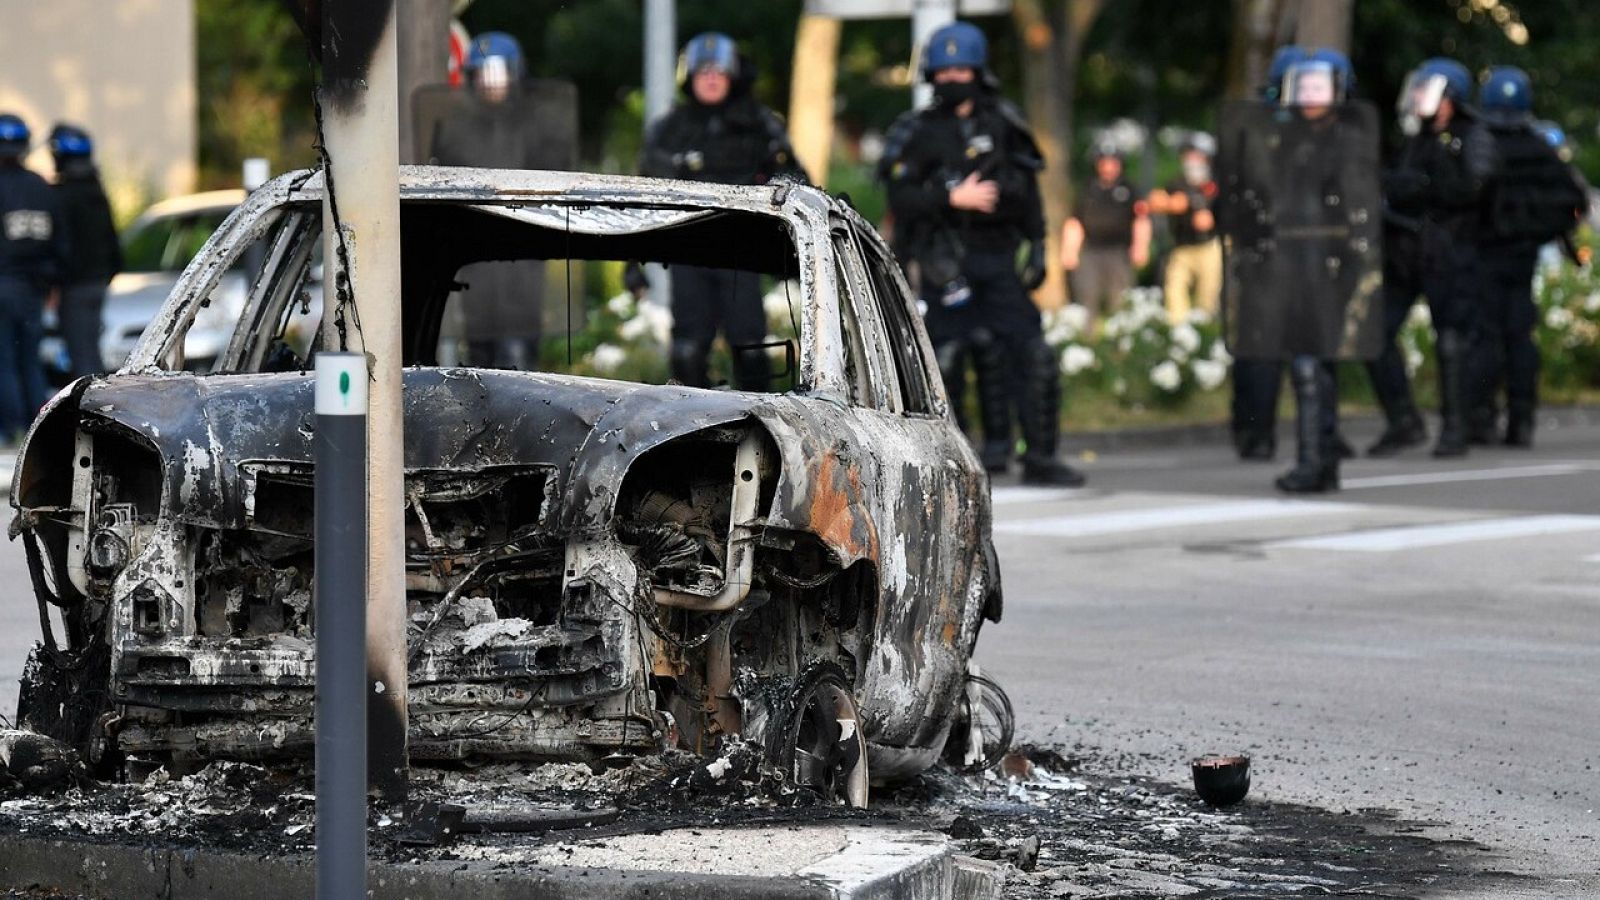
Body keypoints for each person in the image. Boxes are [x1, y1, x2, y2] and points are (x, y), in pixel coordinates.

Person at [879, 21, 1084, 486]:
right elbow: (900, 198)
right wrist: (951, 199)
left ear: (977, 71)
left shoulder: (1003, 123)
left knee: (1032, 354)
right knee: (949, 358)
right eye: (944, 70)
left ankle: (1040, 456)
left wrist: (1038, 244)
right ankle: (957, 460)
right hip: (942, 260)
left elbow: (1029, 188)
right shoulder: (916, 131)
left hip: (997, 257)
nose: (952, 78)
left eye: (961, 69)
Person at [1217, 49, 1383, 493]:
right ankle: (1322, 458)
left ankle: (1314, 461)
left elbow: (1359, 206)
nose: (1309, 97)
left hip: (1327, 266)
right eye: (1302, 88)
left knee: (1311, 364)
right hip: (1287, 264)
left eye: (1318, 88)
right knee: (1309, 364)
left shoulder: (1348, 142)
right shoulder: (1281, 139)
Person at [641, 32, 806, 391]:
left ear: (732, 77)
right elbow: (645, 194)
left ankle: (761, 435)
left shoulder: (759, 124)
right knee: (687, 351)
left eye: (719, 72)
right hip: (688, 251)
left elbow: (796, 178)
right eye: (704, 72)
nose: (712, 79)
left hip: (741, 253)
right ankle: (688, 434)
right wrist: (633, 264)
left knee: (750, 350)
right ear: (690, 77)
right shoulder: (669, 129)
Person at [428, 31, 567, 370]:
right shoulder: (455, 128)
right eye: (482, 74)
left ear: (515, 74)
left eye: (498, 72)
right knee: (480, 357)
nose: (490, 83)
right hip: (475, 258)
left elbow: (557, 181)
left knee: (516, 356)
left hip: (522, 254)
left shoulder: (538, 124)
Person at [1382, 58, 1498, 458]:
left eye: (1426, 90)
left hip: (1450, 253)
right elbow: (1392, 184)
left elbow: (1472, 187)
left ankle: (1455, 427)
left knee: (1451, 341)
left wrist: (1426, 185)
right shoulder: (1416, 139)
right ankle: (1403, 420)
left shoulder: (1472, 136)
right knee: (1375, 333)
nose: (1417, 98)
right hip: (1407, 253)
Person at [1468, 66, 1587, 448]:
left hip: (1486, 255)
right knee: (1520, 338)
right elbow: (1574, 200)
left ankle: (1482, 416)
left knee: (1486, 338)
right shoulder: (1540, 148)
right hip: (1523, 257)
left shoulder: (1480, 143)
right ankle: (1521, 420)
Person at [0, 113, 67, 443]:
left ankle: (10, 429)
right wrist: (51, 284)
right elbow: (61, 243)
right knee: (31, 359)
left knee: (4, 360)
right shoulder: (42, 188)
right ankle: (36, 429)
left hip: (4, 285)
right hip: (34, 289)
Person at [48, 123, 121, 380]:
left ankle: (91, 413)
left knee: (82, 356)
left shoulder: (60, 195)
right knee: (90, 351)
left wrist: (55, 281)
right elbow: (113, 244)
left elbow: (61, 245)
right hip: (97, 282)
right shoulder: (96, 192)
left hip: (75, 286)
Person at [1061, 146, 1151, 330]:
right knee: (1087, 294)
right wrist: (1069, 251)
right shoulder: (1087, 188)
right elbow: (1075, 222)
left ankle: (1121, 339)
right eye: (1104, 163)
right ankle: (1088, 339)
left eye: (1112, 163)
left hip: (1119, 251)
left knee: (1119, 298)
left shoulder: (1129, 189)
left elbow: (1141, 220)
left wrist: (1140, 247)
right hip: (1091, 250)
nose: (1108, 167)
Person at [1149, 134, 1222, 324]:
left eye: (1196, 155)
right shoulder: (1177, 182)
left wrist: (1209, 217)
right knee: (1174, 288)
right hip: (1182, 246)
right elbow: (1158, 199)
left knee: (1208, 296)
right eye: (1188, 155)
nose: (1192, 160)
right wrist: (1169, 203)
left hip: (1208, 246)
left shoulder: (1214, 183)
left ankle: (1204, 331)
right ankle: (1178, 330)